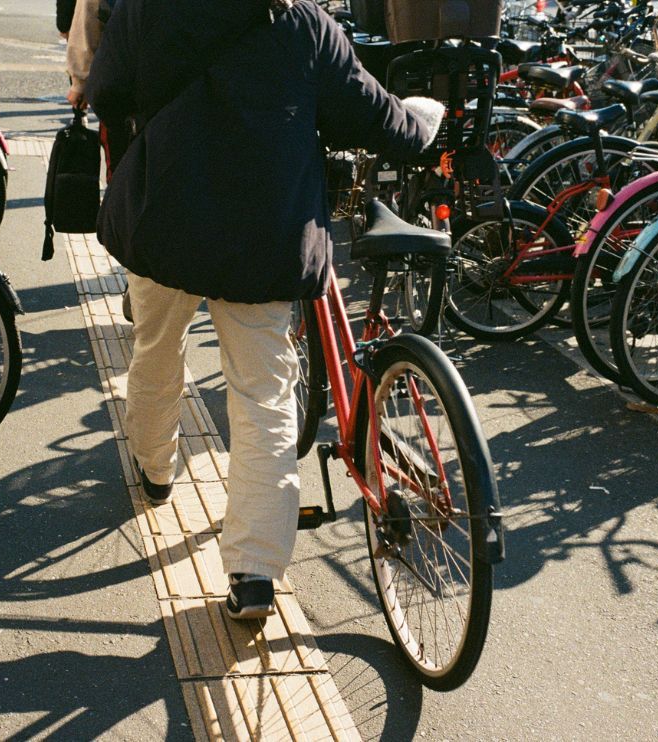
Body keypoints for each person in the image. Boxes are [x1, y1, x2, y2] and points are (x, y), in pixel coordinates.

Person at [84, 0, 444, 619]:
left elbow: (107, 93)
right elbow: (372, 117)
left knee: (155, 347)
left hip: (164, 218)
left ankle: (154, 467)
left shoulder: (148, 10)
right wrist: (422, 121)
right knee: (263, 394)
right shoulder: (305, 25)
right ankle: (254, 573)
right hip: (264, 236)